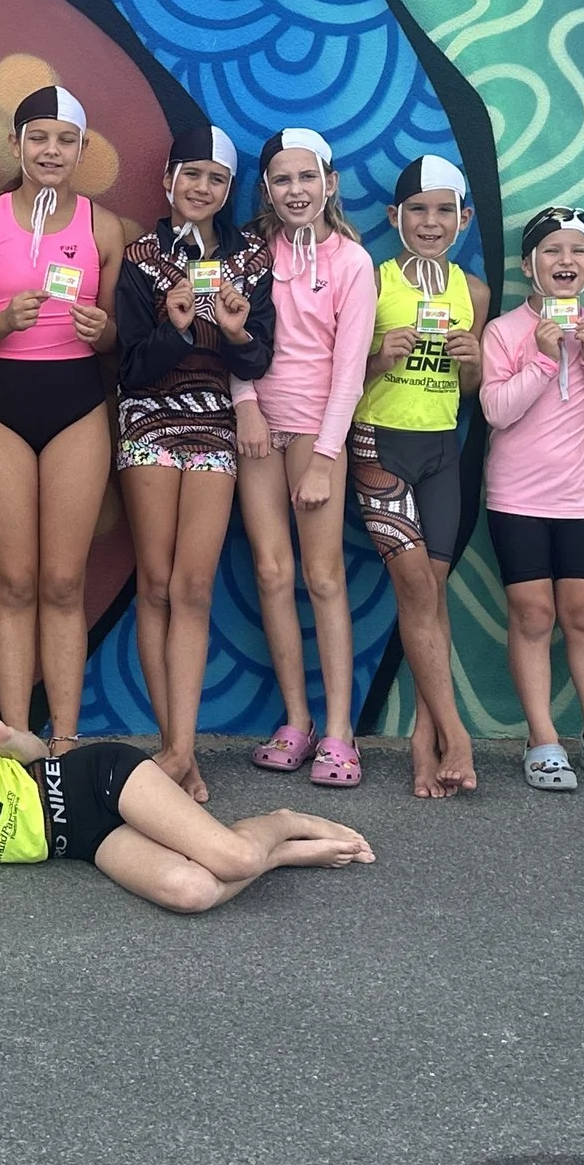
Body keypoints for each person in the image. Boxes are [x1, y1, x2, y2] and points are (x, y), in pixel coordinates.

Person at [0, 670, 373, 912]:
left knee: (233, 859)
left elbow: (38, 754)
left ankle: (280, 819)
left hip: (89, 779)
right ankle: (284, 854)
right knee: (192, 892)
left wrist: (9, 739)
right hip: (77, 839)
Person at [0, 85, 123, 749]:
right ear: (17, 144)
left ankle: (66, 740)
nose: (51, 150)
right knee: (13, 580)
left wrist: (102, 328)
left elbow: (113, 339)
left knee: (62, 580)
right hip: (0, 402)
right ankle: (16, 733)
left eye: (64, 140)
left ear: (81, 149)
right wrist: (2, 322)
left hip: (76, 402)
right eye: (39, 137)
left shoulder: (102, 228)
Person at [113, 124, 272, 802]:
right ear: (168, 179)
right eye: (192, 174)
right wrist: (174, 326)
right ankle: (172, 746)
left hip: (214, 421)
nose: (202, 187)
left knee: (193, 587)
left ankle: (183, 747)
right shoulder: (140, 255)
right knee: (154, 583)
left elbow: (259, 358)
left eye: (216, 178)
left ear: (228, 190)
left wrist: (236, 332)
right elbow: (128, 368)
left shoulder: (253, 259)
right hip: (148, 418)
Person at [477, 207, 584, 793]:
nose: (564, 261)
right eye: (551, 251)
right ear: (528, 266)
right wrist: (545, 358)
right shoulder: (503, 331)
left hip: (581, 498)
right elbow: (497, 411)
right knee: (533, 616)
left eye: (577, 252)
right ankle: (542, 738)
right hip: (516, 496)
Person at [230, 129, 374, 786]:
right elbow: (234, 334)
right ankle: (296, 719)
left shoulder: (351, 261)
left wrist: (324, 453)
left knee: (322, 577)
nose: (296, 191)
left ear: (329, 183)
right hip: (262, 431)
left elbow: (349, 370)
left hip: (319, 437)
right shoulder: (253, 253)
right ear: (267, 189)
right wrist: (246, 404)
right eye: (283, 180)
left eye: (307, 178)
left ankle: (339, 731)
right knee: (270, 570)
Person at [349, 155, 488, 800]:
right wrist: (382, 355)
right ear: (393, 216)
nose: (431, 223)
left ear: (462, 220)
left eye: (443, 211)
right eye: (418, 210)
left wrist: (472, 359)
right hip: (380, 443)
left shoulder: (474, 292)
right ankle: (454, 735)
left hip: (441, 453)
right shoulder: (370, 281)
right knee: (414, 586)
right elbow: (341, 381)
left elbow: (469, 390)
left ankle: (420, 740)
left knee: (430, 593)